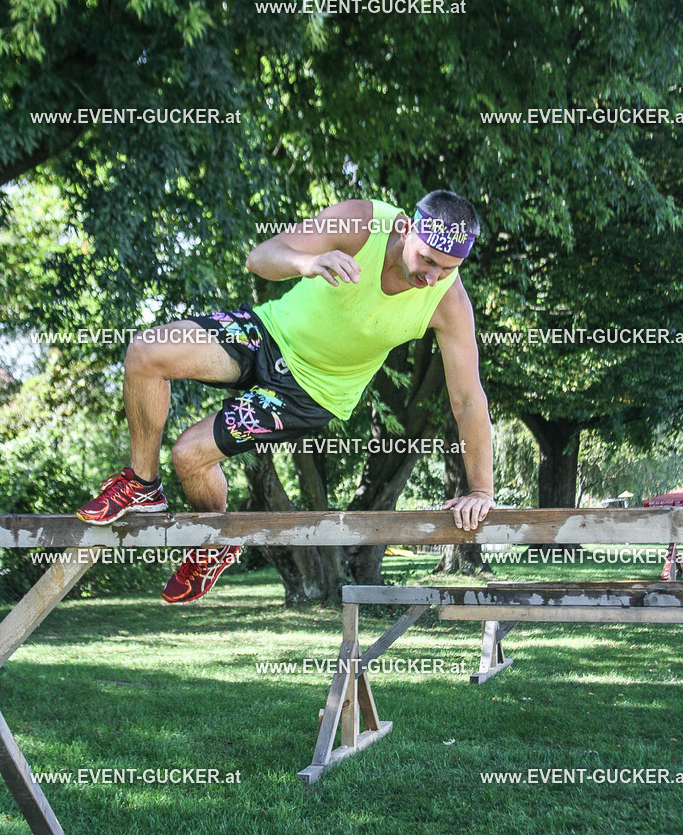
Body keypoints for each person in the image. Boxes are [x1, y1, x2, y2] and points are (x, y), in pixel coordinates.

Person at [77, 191, 496, 602]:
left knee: (188, 455)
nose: (431, 278)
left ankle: (215, 541)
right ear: (405, 229)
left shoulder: (449, 301)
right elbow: (260, 257)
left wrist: (481, 490)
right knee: (146, 352)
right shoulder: (361, 223)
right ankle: (142, 484)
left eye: (448, 268)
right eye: (427, 260)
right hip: (268, 333)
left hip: (310, 394)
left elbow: (468, 399)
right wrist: (306, 262)